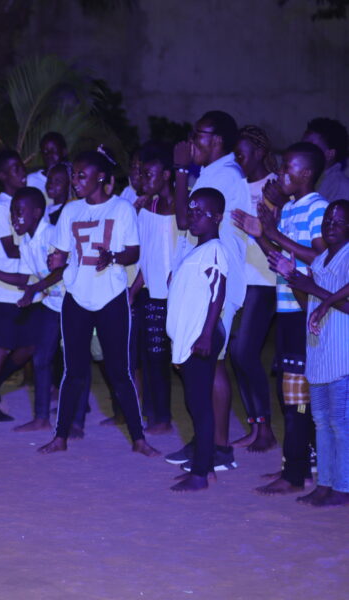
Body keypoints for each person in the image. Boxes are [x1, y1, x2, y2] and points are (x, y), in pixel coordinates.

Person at [38, 148, 158, 458]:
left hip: (111, 298)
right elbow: (62, 254)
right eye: (75, 175)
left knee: (120, 372)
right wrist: (56, 259)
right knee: (73, 371)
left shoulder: (122, 209)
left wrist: (113, 257)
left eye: (81, 175)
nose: (75, 181)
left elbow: (133, 252)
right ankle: (60, 436)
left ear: (100, 177)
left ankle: (139, 438)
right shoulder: (71, 211)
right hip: (76, 297)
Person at [234, 142, 328, 495]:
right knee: (290, 395)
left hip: (306, 310)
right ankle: (296, 466)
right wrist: (261, 236)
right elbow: (280, 256)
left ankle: (295, 473)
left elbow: (322, 258)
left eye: (288, 168)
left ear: (306, 173)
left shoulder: (317, 209)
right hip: (288, 307)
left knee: (297, 398)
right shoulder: (289, 208)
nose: (280, 174)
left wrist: (271, 233)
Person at [168, 110, 249, 471]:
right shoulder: (214, 173)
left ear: (217, 141)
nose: (191, 142)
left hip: (216, 281)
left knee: (210, 363)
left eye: (198, 135)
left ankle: (218, 448)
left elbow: (185, 218)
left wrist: (181, 170)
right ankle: (206, 441)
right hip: (199, 278)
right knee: (201, 365)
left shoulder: (227, 176)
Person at [274, 200, 349, 507]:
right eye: (327, 220)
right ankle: (325, 484)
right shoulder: (320, 261)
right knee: (320, 421)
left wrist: (317, 294)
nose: (330, 224)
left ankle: (342, 488)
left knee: (340, 425)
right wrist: (293, 278)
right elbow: (309, 308)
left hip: (342, 357)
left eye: (338, 221)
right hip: (319, 357)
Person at [0, 187, 64, 432]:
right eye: (13, 213)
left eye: (19, 213)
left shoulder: (52, 235)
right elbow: (25, 277)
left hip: (71, 303)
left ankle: (73, 421)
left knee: (64, 359)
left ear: (37, 213)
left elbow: (63, 269)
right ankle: (41, 417)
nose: (14, 219)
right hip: (49, 303)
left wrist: (35, 288)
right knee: (38, 356)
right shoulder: (26, 241)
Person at [168, 188, 229, 491]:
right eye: (190, 211)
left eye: (200, 213)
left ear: (217, 217)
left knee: (200, 407)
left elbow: (218, 293)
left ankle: (201, 475)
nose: (192, 217)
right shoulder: (196, 251)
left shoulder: (214, 249)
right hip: (189, 340)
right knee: (195, 405)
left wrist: (205, 335)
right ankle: (203, 468)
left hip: (201, 339)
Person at [230, 125, 279, 452]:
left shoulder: (273, 188)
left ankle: (266, 429)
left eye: (243, 154)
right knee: (237, 355)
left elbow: (276, 242)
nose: (238, 160)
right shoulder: (236, 185)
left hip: (264, 281)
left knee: (244, 351)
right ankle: (255, 425)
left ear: (260, 152)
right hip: (239, 281)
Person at [129, 142, 178, 434]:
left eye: (150, 174)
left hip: (173, 294)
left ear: (167, 176)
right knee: (151, 356)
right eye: (143, 174)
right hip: (151, 293)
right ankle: (156, 415)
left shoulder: (180, 208)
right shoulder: (147, 208)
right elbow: (145, 256)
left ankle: (165, 417)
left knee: (168, 358)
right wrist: (135, 289)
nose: (144, 180)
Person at [0, 150, 30, 422]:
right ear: (2, 176)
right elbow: (11, 249)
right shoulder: (1, 207)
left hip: (24, 288)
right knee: (3, 345)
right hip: (3, 287)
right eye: (14, 169)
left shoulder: (23, 202)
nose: (22, 172)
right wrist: (40, 249)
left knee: (29, 346)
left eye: (22, 167)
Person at [302, 117, 349, 203]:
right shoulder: (299, 177)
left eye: (309, 146)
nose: (301, 150)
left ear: (330, 154)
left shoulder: (341, 187)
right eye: (301, 145)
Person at [26, 132, 68, 217]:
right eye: (45, 152)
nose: (49, 156)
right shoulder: (31, 180)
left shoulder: (72, 178)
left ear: (64, 152)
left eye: (53, 151)